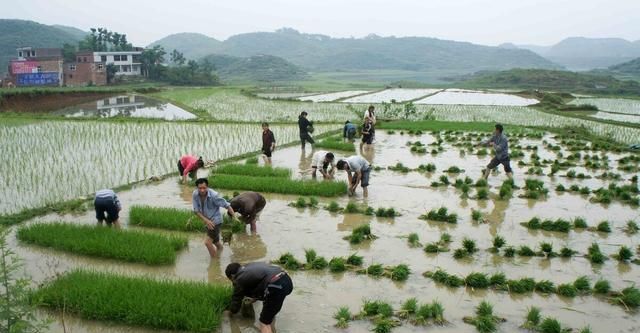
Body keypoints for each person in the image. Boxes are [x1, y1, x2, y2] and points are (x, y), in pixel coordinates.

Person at [225, 262, 293, 333]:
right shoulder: (249, 266)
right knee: (270, 311)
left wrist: (231, 313)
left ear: (232, 276)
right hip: (286, 279)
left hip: (275, 284)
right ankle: (272, 328)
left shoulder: (239, 279)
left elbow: (236, 300)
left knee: (264, 323)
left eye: (231, 280)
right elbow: (260, 283)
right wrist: (254, 299)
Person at [192, 178, 236, 258]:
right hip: (207, 221)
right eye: (200, 188)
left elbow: (227, 205)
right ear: (197, 188)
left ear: (207, 187)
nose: (202, 190)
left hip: (215, 221)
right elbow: (196, 211)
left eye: (204, 188)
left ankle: (215, 263)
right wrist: (206, 221)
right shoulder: (195, 194)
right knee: (216, 242)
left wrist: (234, 217)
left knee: (208, 243)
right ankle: (221, 252)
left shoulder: (214, 196)